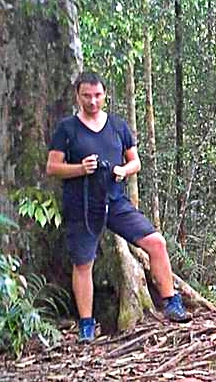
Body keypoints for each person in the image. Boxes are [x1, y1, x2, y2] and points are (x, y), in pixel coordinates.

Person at [46, 71, 191, 342]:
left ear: (105, 95)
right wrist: (80, 168)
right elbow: (52, 167)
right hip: (83, 206)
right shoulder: (67, 129)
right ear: (77, 95)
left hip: (115, 201)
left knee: (156, 242)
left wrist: (124, 170)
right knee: (83, 264)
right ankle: (87, 325)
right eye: (87, 96)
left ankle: (172, 302)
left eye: (97, 95)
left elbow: (135, 161)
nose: (92, 101)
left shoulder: (117, 126)